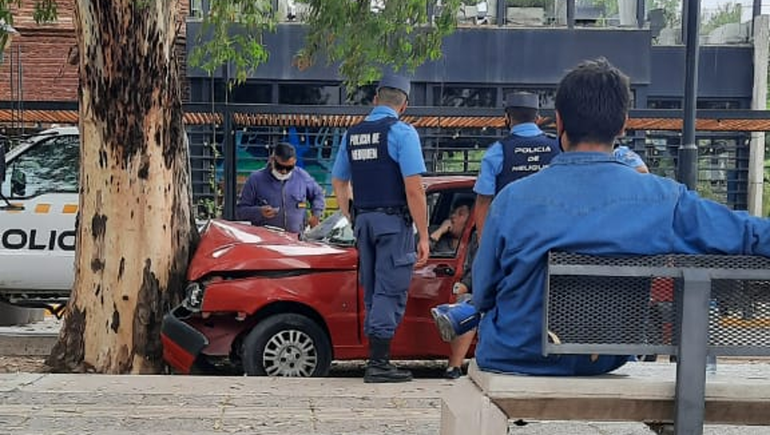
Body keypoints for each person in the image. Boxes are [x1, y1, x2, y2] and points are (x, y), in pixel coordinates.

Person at [471, 57, 770, 376]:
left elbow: (483, 291)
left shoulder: (511, 200)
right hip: (606, 357)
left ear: (558, 122)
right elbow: (748, 234)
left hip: (515, 357)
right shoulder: (664, 200)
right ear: (623, 124)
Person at [331, 72, 430, 383]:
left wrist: (351, 215)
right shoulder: (402, 133)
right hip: (392, 224)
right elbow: (414, 188)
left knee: (373, 289)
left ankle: (376, 359)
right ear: (404, 105)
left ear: (376, 99)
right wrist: (424, 235)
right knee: (390, 289)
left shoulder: (353, 134)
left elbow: (338, 181)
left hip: (364, 224)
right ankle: (378, 365)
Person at [473, 91, 560, 237]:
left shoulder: (497, 151)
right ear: (537, 118)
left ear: (507, 118)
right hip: (552, 239)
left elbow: (483, 202)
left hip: (511, 241)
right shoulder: (558, 147)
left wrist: (484, 246)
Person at [236, 142, 325, 234]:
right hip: (267, 240)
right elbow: (241, 211)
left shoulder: (302, 176)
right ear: (272, 159)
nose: (284, 171)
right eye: (280, 166)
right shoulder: (255, 179)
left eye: (289, 168)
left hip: (296, 240)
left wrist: (316, 214)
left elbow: (318, 194)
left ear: (294, 162)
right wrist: (259, 212)